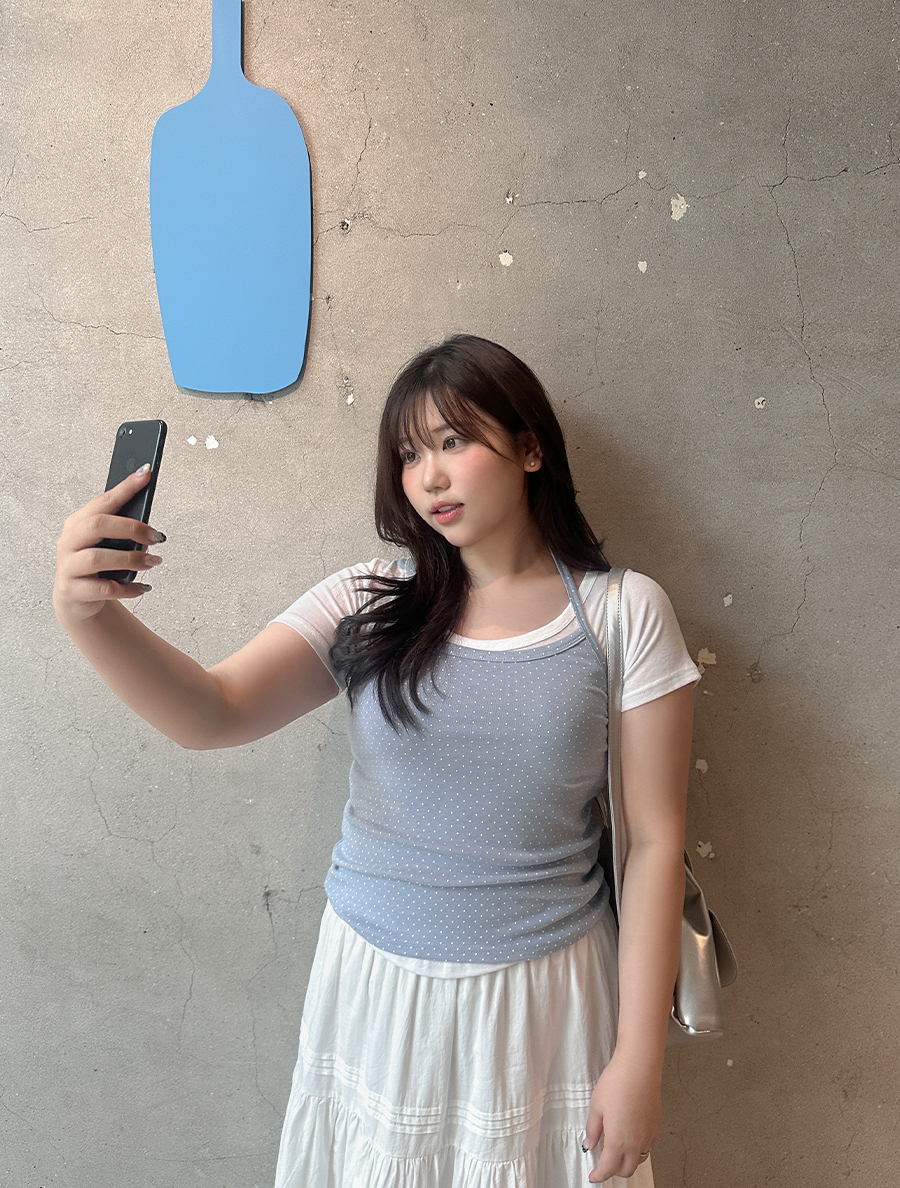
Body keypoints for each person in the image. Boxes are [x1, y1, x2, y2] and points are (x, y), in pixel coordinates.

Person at [53, 335, 699, 1187]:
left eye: (453, 441)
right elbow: (214, 712)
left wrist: (639, 1059)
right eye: (408, 453)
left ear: (530, 449)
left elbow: (654, 842)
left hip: (546, 998)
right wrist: (91, 617)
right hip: (377, 988)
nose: (429, 476)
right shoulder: (368, 600)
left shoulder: (623, 613)